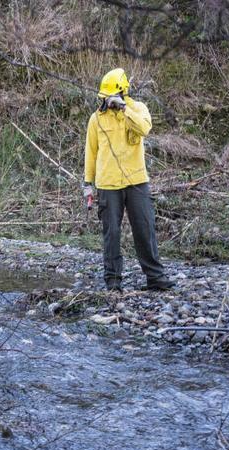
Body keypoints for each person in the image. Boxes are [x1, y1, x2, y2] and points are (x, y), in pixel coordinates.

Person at [83, 68, 174, 292]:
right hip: (107, 184)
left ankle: (156, 278)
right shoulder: (96, 119)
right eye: (103, 97)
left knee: (145, 228)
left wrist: (123, 108)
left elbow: (144, 128)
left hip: (137, 182)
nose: (106, 101)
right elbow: (91, 151)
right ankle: (113, 281)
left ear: (122, 92)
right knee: (111, 233)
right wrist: (87, 184)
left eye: (110, 97)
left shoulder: (137, 109)